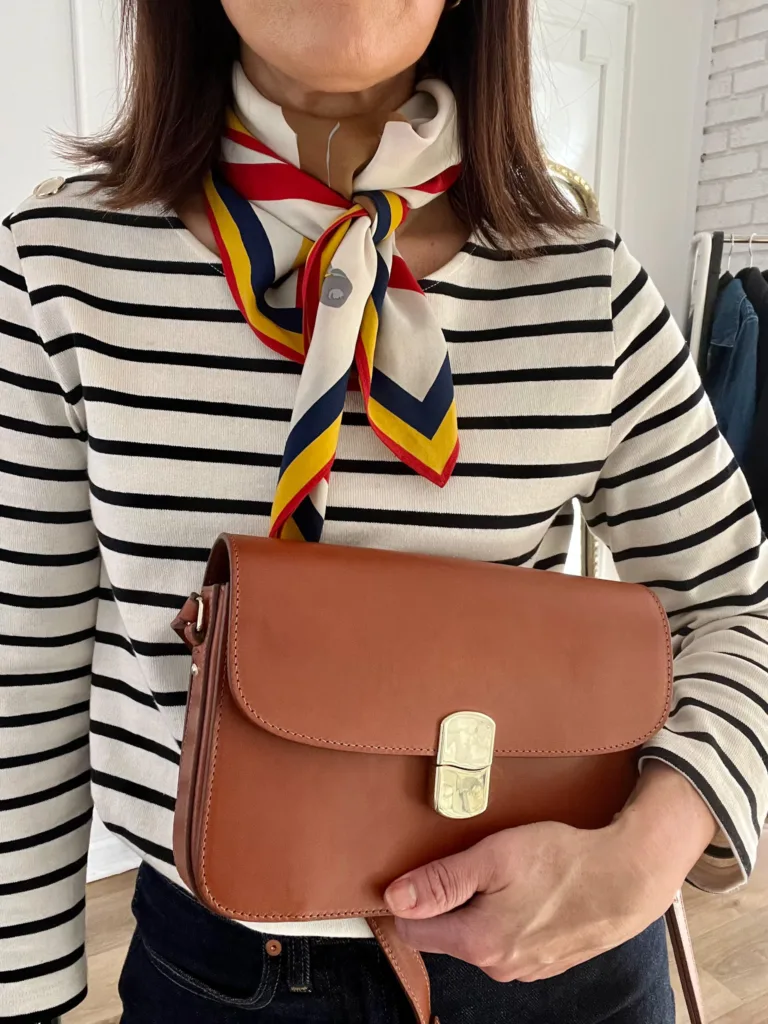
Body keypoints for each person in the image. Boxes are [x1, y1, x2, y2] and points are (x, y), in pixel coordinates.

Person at [1, 0, 767, 1021]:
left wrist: (647, 853)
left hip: (555, 967)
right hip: (219, 973)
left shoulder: (589, 286)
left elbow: (743, 607)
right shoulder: (61, 273)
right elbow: (19, 673)